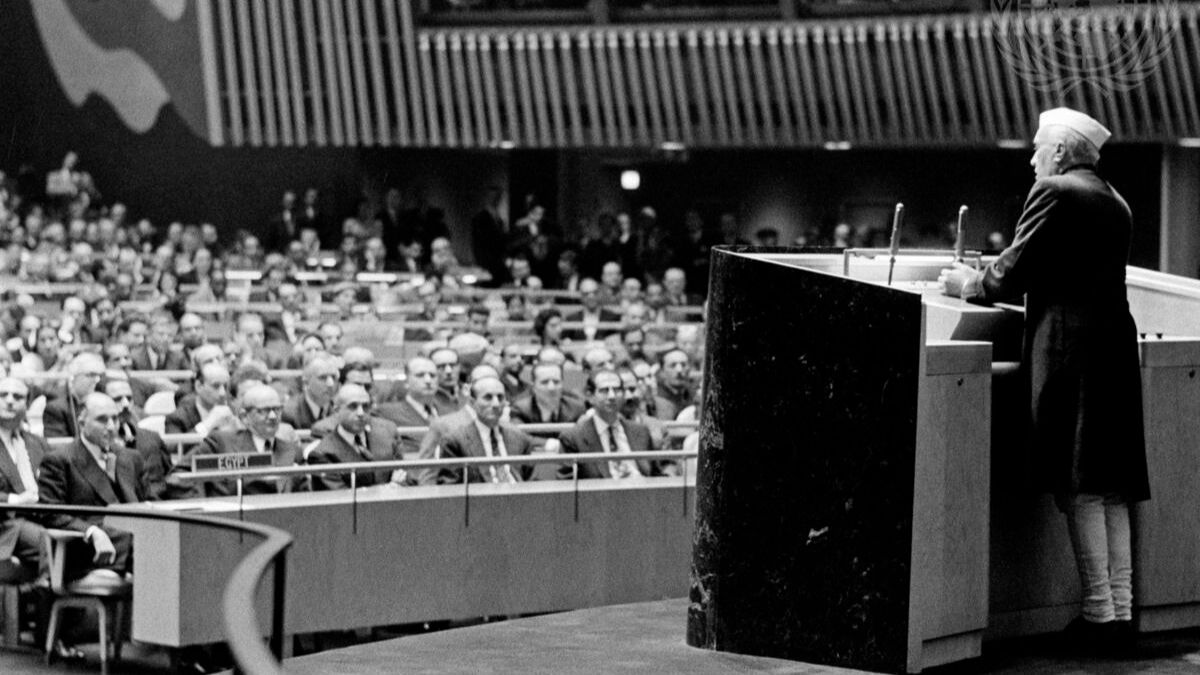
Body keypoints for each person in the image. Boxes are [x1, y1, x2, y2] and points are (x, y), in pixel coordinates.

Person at [939, 107, 1149, 654]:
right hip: (1114, 350)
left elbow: (1013, 271)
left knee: (1079, 482)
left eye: (1037, 148)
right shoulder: (1115, 199)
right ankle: (1120, 613)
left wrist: (968, 281)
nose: (1032, 158)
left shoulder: (1055, 190)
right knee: (1110, 487)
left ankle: (1099, 615)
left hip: (1069, 352)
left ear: (1058, 152)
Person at [183, 384, 307, 496]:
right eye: (263, 411)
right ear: (244, 417)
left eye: (277, 409)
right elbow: (180, 475)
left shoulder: (291, 449)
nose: (273, 416)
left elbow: (305, 494)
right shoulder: (221, 442)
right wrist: (206, 506)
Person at [416, 376, 537, 485]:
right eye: (488, 397)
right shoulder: (455, 441)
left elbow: (531, 483)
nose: (496, 404)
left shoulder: (519, 438)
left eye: (500, 397)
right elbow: (449, 489)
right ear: (473, 402)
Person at [557, 369, 667, 479]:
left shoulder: (641, 431)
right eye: (604, 390)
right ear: (590, 396)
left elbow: (655, 475)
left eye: (617, 390)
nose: (612, 396)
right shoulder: (573, 438)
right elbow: (567, 486)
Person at [307, 384, 405, 490]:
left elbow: (405, 476)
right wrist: (385, 488)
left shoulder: (388, 434)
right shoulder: (322, 453)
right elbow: (338, 496)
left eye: (365, 406)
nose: (361, 413)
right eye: (353, 406)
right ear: (336, 410)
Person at [0, 377, 49, 573]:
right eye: (3, 395)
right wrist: (14, 500)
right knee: (51, 544)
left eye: (17, 397)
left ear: (27, 405)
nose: (10, 400)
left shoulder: (38, 444)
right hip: (6, 526)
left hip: (40, 517)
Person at [282, 355, 340, 430]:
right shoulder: (289, 412)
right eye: (323, 377)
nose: (331, 383)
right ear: (306, 383)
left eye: (334, 377)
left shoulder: (341, 409)